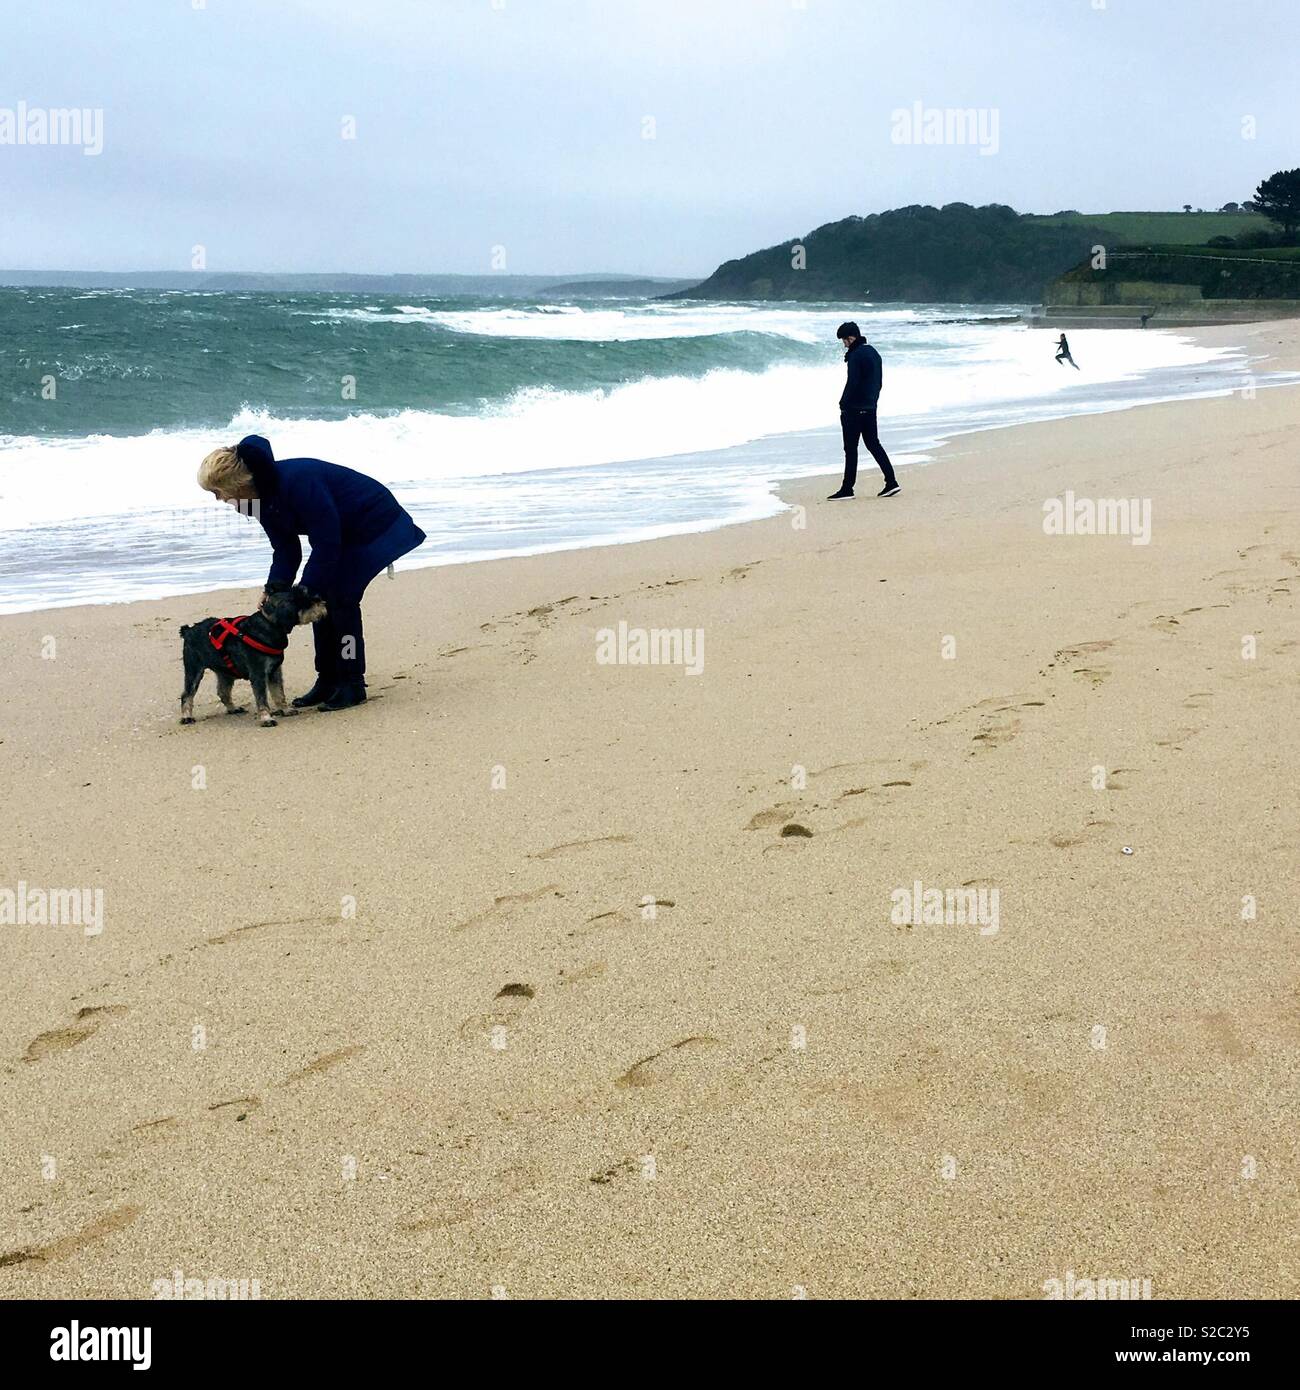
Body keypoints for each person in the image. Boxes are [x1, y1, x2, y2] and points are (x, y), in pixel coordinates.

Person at [197, 435, 426, 711]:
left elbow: (327, 541)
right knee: (322, 598)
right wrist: (274, 589)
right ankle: (328, 679)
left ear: (238, 483)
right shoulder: (258, 498)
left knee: (339, 598)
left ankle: (352, 682)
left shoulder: (298, 481)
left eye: (218, 491)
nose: (219, 499)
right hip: (342, 533)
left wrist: (306, 590)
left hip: (375, 524)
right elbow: (285, 548)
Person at [829, 321, 899, 500]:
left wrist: (843, 403)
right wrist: (872, 402)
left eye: (844, 341)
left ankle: (847, 489)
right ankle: (891, 482)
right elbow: (879, 382)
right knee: (874, 444)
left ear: (851, 338)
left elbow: (852, 383)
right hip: (870, 407)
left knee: (851, 449)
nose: (844, 344)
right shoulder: (874, 352)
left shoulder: (855, 356)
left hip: (854, 409)